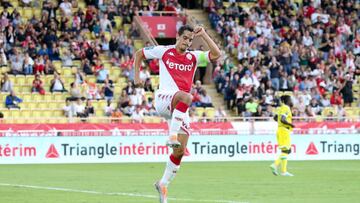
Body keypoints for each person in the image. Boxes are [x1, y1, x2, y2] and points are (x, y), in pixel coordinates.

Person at [134, 24, 220, 202]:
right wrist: (136, 77)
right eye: (185, 38)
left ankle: (163, 184)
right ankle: (171, 136)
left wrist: (203, 34)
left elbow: (216, 54)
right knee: (187, 97)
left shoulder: (194, 57)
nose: (187, 42)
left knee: (180, 151)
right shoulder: (164, 51)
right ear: (177, 38)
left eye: (190, 39)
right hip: (165, 99)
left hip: (180, 108)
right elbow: (139, 54)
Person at [270, 95, 296, 177]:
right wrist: (291, 124)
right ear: (287, 100)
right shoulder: (286, 108)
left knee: (286, 151)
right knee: (286, 151)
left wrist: (281, 124)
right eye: (290, 99)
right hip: (284, 130)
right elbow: (282, 119)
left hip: (280, 130)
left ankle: (284, 171)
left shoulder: (280, 108)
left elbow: (275, 118)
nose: (291, 100)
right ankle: (275, 164)